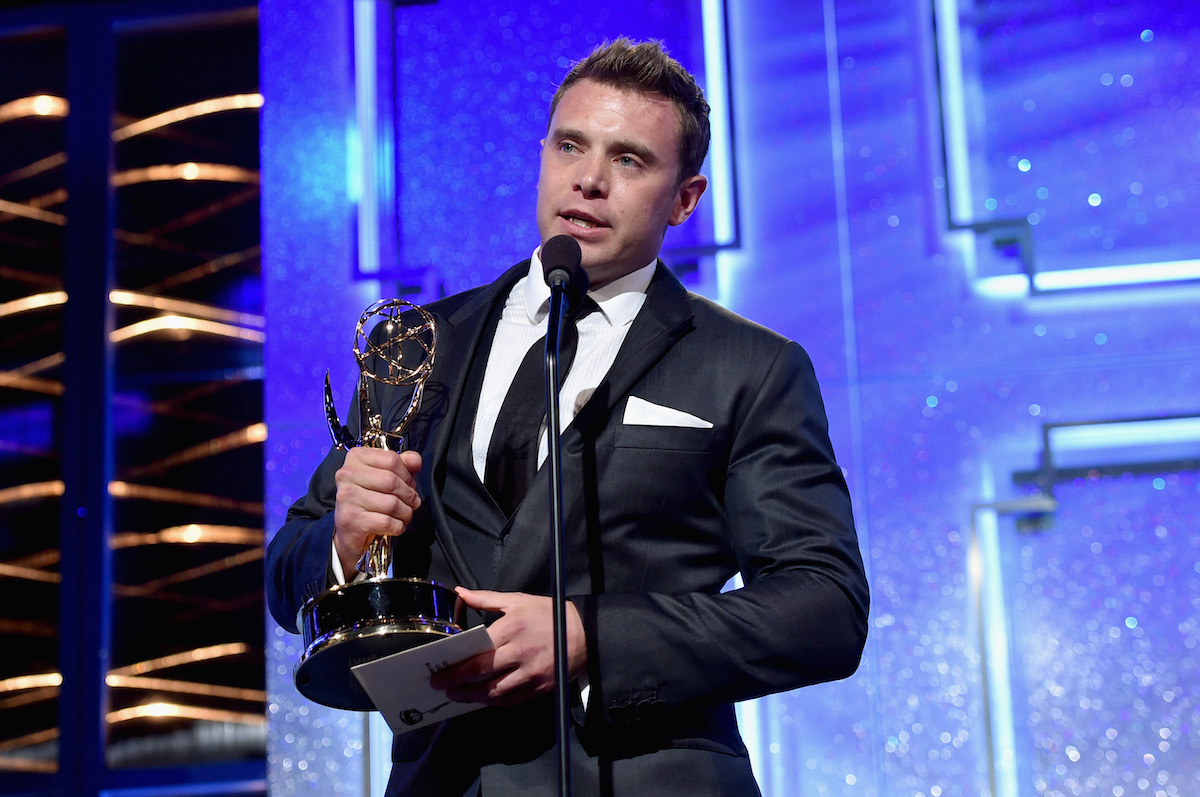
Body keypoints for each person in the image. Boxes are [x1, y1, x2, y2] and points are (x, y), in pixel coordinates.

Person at [266, 38, 869, 797]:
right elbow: (287, 575)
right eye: (570, 145)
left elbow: (824, 607)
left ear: (685, 198)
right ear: (542, 153)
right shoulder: (419, 344)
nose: (587, 178)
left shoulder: (749, 366)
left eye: (629, 160)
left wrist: (591, 637)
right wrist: (346, 544)